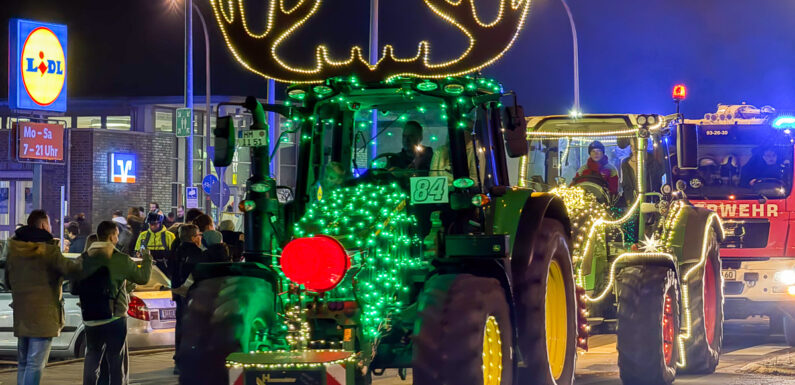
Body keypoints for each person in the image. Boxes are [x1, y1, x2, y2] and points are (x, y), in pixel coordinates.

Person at [5, 210, 81, 385]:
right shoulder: (48, 251)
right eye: (49, 224)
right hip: (43, 316)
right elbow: (71, 269)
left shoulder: (15, 251)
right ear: (43, 225)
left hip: (22, 314)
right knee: (36, 364)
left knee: (24, 362)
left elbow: (8, 281)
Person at [80, 221, 152, 385]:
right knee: (115, 361)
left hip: (90, 317)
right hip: (114, 317)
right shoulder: (120, 259)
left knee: (92, 357)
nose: (117, 238)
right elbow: (142, 277)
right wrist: (147, 259)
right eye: (116, 235)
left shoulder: (84, 258)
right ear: (111, 236)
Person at [171, 224, 205, 374]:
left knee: (180, 328)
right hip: (194, 298)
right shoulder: (199, 254)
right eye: (198, 235)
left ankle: (179, 360)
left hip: (179, 296)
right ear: (193, 237)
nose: (200, 238)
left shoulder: (176, 252)